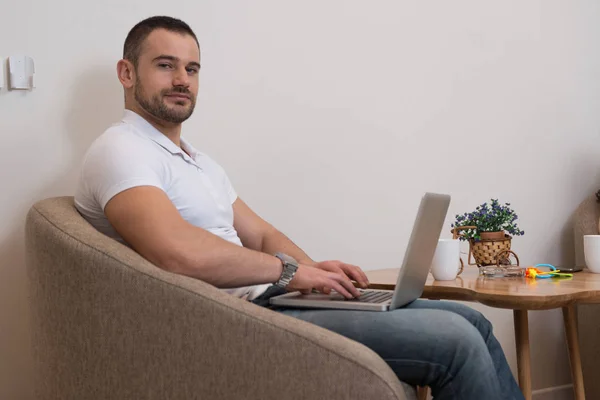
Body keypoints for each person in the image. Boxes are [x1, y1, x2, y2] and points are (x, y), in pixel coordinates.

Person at [74, 15, 524, 400]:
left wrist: (316, 275)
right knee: (457, 340)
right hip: (235, 320)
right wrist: (290, 273)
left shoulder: (197, 161)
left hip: (271, 299)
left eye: (191, 69)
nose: (182, 80)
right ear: (127, 73)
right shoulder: (121, 148)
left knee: (472, 321)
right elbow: (176, 251)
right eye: (165, 65)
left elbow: (262, 235)